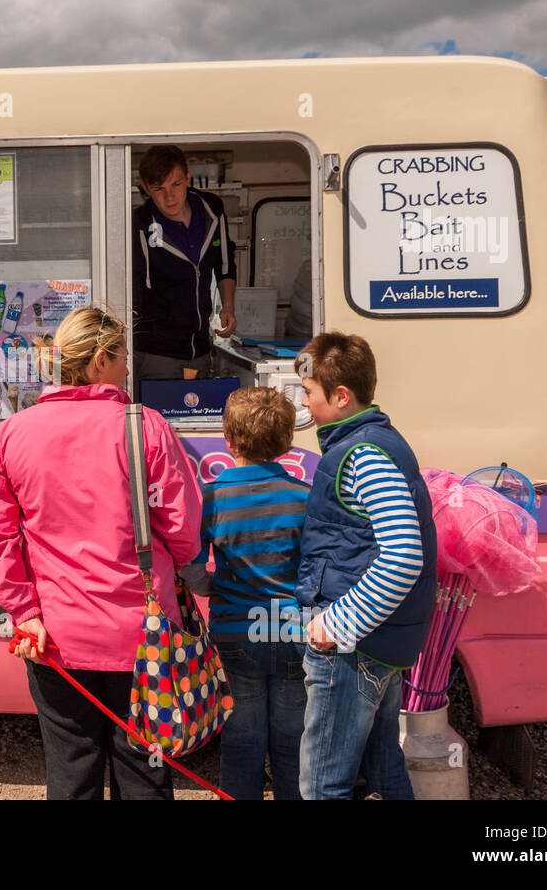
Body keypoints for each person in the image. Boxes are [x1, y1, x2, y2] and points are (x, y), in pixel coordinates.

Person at [0, 305, 203, 800]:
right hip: (144, 635)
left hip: (55, 637)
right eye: (122, 356)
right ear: (100, 360)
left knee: (71, 770)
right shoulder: (146, 426)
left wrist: (25, 612)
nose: (127, 366)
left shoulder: (11, 434)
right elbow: (183, 532)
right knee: (144, 772)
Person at [295, 332, 438, 800]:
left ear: (341, 396)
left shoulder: (363, 456)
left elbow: (403, 556)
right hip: (378, 640)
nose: (303, 400)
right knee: (383, 768)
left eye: (309, 391)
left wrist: (336, 622)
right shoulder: (376, 441)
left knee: (323, 784)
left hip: (353, 647)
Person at [180, 387, 310, 800]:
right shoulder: (305, 498)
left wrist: (213, 587)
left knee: (241, 740)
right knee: (293, 742)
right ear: (287, 443)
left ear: (229, 440)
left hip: (236, 636)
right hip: (294, 633)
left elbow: (193, 569)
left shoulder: (213, 497)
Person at [131, 145, 237, 390]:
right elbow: (135, 290)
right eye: (159, 189)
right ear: (146, 189)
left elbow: (225, 263)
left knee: (199, 422)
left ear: (188, 177)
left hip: (200, 349)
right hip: (155, 353)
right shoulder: (140, 224)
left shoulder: (212, 210)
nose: (169, 197)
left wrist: (228, 306)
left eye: (176, 184)